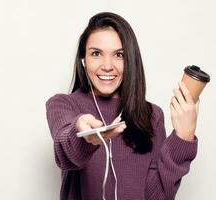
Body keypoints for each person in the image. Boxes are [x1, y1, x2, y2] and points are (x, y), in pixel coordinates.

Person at [46, 12, 199, 200]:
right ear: (83, 60)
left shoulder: (152, 115)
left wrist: (183, 137)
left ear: (130, 61)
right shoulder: (62, 105)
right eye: (96, 54)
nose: (107, 66)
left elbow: (156, 197)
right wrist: (82, 134)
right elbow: (65, 152)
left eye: (119, 55)